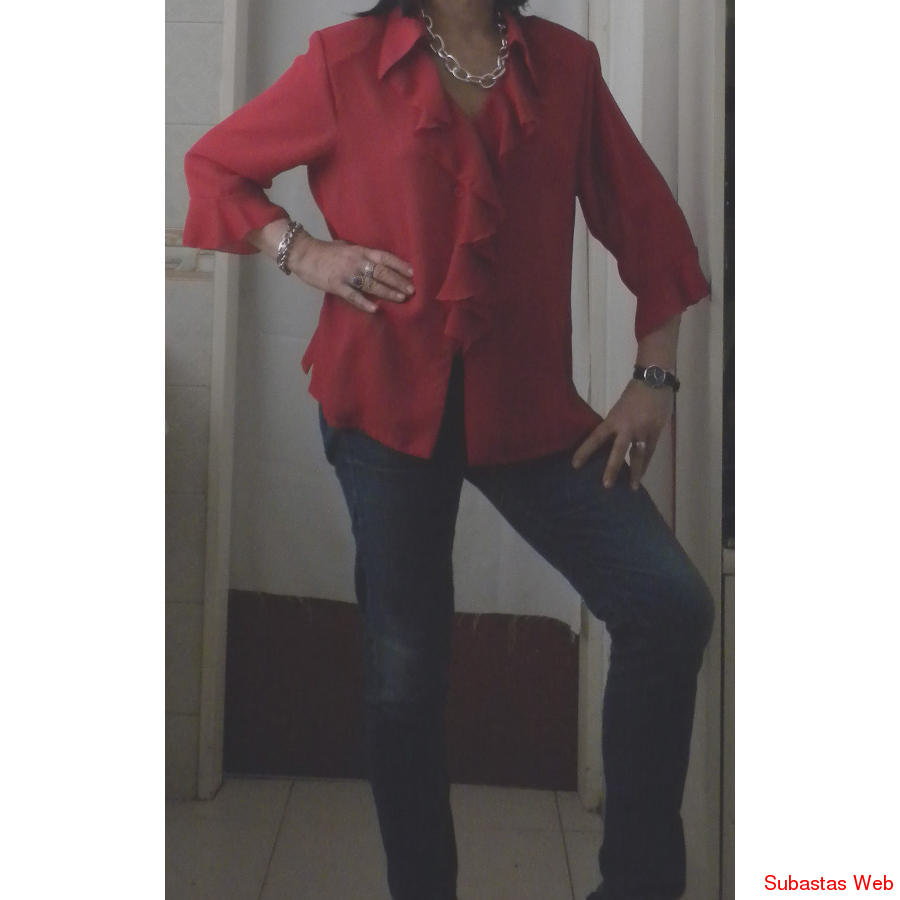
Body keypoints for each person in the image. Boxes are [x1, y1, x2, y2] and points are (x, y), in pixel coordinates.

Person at [182, 0, 715, 897]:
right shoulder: (344, 61)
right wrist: (303, 251)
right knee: (406, 677)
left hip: (530, 413)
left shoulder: (566, 68)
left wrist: (653, 375)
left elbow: (648, 220)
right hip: (383, 407)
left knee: (668, 605)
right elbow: (215, 167)